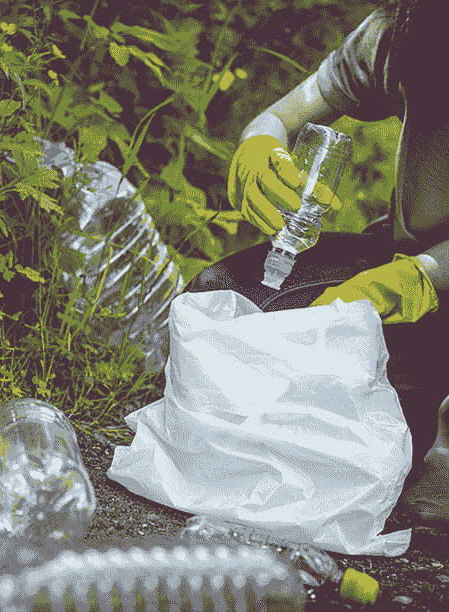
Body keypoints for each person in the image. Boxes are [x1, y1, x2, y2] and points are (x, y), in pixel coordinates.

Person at [184, 0, 449, 539]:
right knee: (221, 296)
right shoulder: (405, 32)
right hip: (403, 262)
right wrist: (260, 142)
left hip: (432, 286)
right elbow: (285, 114)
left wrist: (426, 275)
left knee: (381, 415)